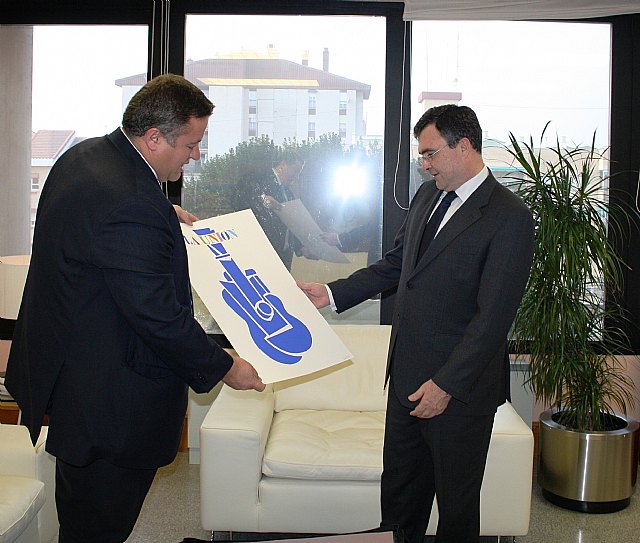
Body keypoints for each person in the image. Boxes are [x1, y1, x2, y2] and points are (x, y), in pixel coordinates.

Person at [5, 74, 265, 543]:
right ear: (154, 138)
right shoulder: (132, 203)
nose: (196, 155)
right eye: (191, 144)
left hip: (75, 384)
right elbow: (158, 316)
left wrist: (162, 214)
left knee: (81, 519)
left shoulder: (85, 158)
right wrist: (226, 366)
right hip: (110, 406)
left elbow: (100, 225)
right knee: (98, 528)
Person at [298, 104, 534, 543]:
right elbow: (396, 266)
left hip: (460, 393)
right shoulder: (428, 196)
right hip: (406, 380)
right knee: (400, 500)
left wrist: (445, 385)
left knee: (456, 509)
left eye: (430, 154)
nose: (424, 165)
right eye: (421, 156)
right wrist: (331, 293)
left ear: (464, 146)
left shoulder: (509, 216)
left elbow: (492, 319)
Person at [233, 151, 305, 268]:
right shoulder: (257, 179)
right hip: (261, 254)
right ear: (283, 165)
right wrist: (262, 200)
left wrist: (300, 247)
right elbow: (241, 199)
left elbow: (289, 223)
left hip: (283, 256)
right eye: (296, 171)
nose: (296, 177)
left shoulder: (287, 192)